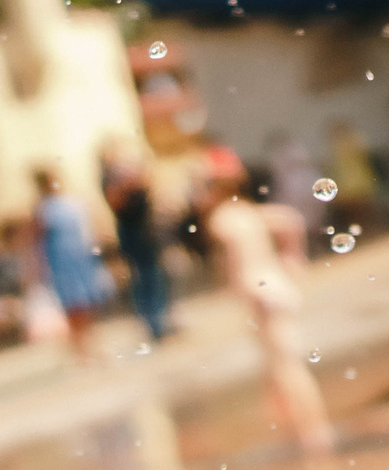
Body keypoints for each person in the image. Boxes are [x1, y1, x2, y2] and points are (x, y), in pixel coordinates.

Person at [197, 163, 336, 454]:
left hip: (258, 290)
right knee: (277, 361)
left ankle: (315, 431)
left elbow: (235, 261)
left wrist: (239, 288)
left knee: (284, 363)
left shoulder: (221, 219)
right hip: (274, 283)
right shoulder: (248, 210)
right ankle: (298, 427)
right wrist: (293, 255)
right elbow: (290, 218)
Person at [31, 167, 117, 365]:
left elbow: (87, 229)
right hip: (61, 262)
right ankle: (81, 350)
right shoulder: (43, 209)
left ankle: (92, 345)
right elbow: (38, 241)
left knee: (89, 303)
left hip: (80, 257)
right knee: (73, 306)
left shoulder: (71, 203)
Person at [102, 143, 175, 346]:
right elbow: (116, 202)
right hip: (133, 235)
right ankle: (153, 325)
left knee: (157, 277)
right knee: (144, 279)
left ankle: (163, 321)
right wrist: (129, 185)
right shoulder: (109, 179)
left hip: (146, 232)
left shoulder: (126, 176)